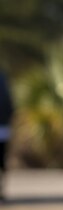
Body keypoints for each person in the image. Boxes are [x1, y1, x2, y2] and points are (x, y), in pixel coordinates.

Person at [0, 71, 14, 201]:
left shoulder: (3, 79)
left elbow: (10, 106)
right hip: (4, 128)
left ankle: (1, 188)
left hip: (3, 129)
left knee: (2, 160)